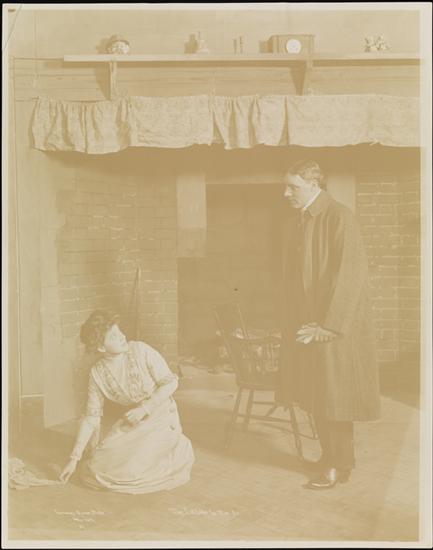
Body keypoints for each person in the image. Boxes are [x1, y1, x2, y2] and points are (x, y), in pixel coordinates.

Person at [277, 159, 381, 490]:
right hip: (309, 325)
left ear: (314, 184)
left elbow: (351, 276)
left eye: (292, 187)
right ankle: (330, 459)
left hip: (333, 328)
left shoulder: (339, 216)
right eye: (286, 186)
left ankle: (339, 466)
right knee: (317, 395)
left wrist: (330, 327)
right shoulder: (301, 219)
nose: (286, 193)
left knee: (335, 399)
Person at [59, 310, 195, 494]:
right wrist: (73, 459)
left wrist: (144, 408)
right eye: (114, 336)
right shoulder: (98, 373)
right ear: (101, 347)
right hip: (134, 421)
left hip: (162, 416)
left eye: (120, 331)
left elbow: (171, 382)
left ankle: (179, 448)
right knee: (98, 467)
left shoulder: (141, 350)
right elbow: (91, 418)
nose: (122, 336)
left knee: (131, 470)